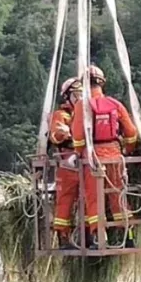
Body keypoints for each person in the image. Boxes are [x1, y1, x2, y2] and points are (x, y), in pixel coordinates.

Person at [70, 64, 139, 248]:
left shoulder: (81, 106)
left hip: (93, 159)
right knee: (118, 195)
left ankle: (100, 238)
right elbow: (131, 132)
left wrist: (79, 154)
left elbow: (77, 136)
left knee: (94, 197)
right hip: (115, 157)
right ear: (102, 83)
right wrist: (127, 150)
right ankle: (129, 236)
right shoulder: (115, 104)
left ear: (84, 84)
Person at [49, 77, 82, 247]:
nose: (79, 98)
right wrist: (70, 134)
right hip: (67, 163)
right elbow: (56, 135)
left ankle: (91, 236)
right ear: (67, 97)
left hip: (85, 160)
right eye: (76, 95)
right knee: (65, 200)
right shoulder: (61, 115)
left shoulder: (86, 112)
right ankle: (63, 237)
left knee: (90, 200)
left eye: (81, 94)